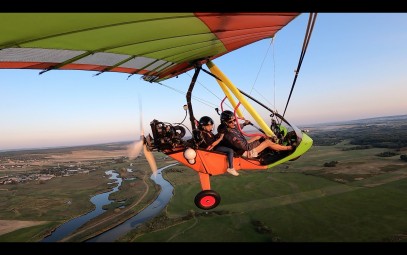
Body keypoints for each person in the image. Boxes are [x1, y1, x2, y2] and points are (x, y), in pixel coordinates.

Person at [219, 110, 293, 159]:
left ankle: (275, 145)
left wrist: (245, 124)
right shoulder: (229, 134)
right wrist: (261, 141)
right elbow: (247, 147)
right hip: (244, 153)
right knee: (267, 142)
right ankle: (289, 148)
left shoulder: (230, 127)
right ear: (225, 123)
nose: (233, 123)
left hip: (240, 147)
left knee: (258, 136)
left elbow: (238, 127)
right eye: (230, 122)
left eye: (234, 120)